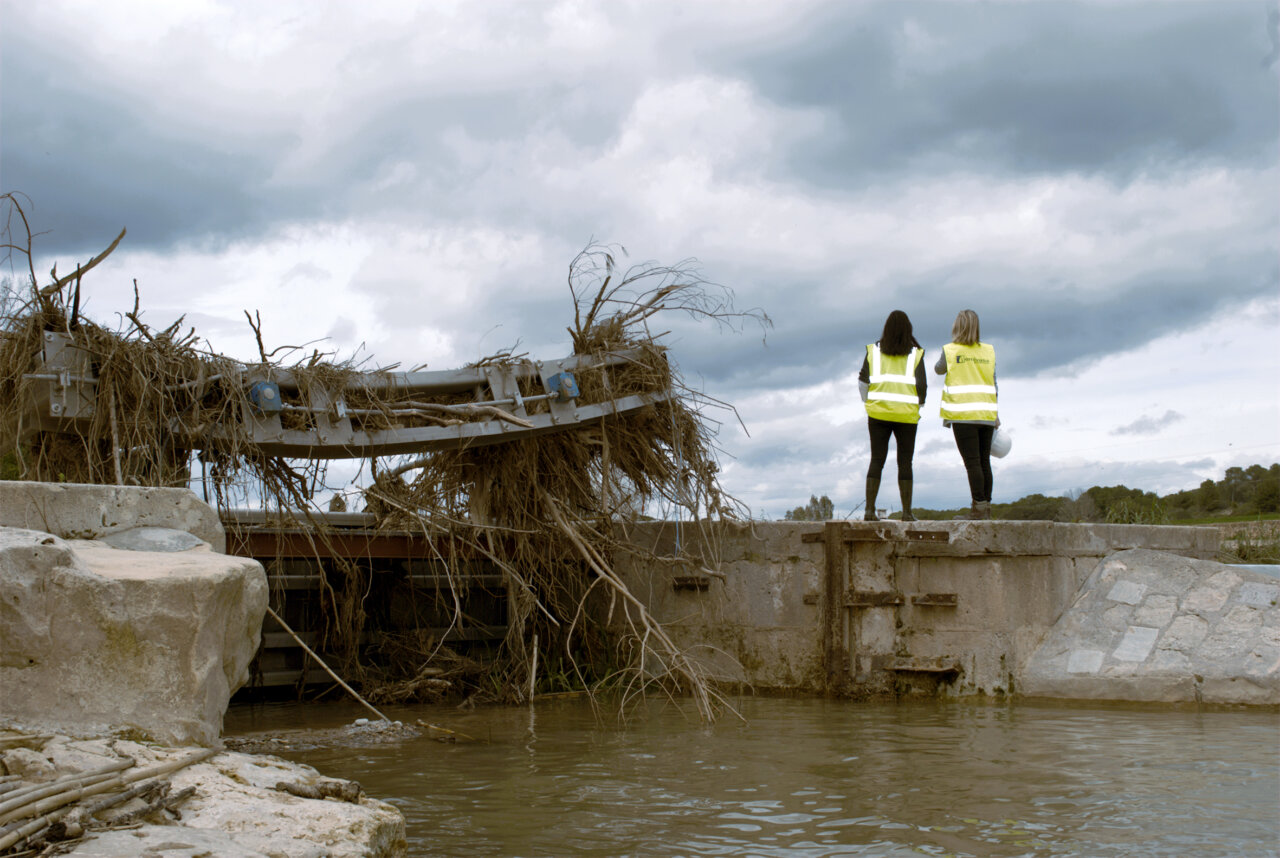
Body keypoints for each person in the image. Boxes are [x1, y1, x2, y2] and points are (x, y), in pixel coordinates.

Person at [858, 310, 926, 521]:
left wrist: (868, 401)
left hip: (878, 414)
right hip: (906, 416)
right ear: (908, 330)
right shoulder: (916, 354)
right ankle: (907, 512)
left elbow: (863, 382)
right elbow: (921, 386)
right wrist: (918, 404)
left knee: (877, 459)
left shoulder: (874, 351)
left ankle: (869, 511)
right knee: (905, 462)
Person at [936, 309, 998, 519]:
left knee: (972, 463)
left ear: (957, 327)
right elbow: (993, 382)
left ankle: (978, 510)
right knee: (984, 462)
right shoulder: (988, 351)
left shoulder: (951, 350)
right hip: (987, 414)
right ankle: (986, 508)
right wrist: (996, 414)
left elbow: (938, 369)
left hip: (963, 415)